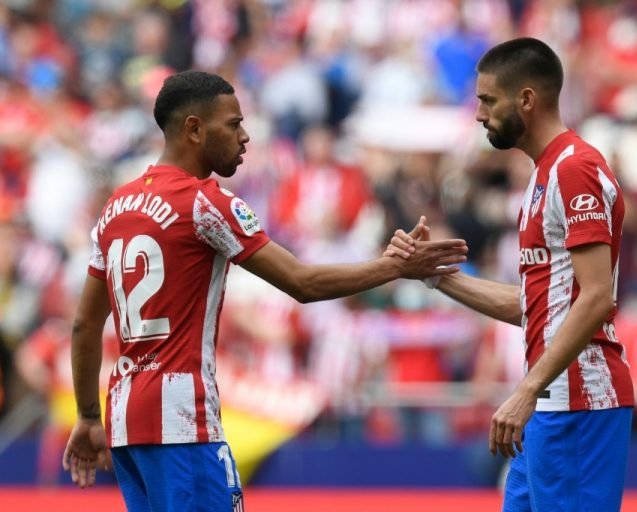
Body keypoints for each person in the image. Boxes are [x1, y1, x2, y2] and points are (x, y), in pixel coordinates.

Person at [61, 70, 467, 511]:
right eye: (233, 124)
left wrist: (87, 415)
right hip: (182, 422)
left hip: (125, 423)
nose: (245, 136)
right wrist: (394, 267)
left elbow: (85, 325)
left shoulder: (115, 208)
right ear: (194, 129)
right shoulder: (206, 203)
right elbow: (302, 283)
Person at [387, 38, 634, 512]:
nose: (479, 114)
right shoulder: (543, 176)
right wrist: (435, 275)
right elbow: (537, 307)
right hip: (551, 400)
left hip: (579, 401)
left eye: (488, 100)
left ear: (526, 99)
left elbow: (597, 296)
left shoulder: (575, 170)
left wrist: (526, 390)